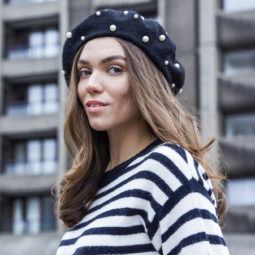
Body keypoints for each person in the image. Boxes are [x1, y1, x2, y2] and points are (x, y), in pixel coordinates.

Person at [56, 8, 230, 255]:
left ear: (144, 83)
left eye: (114, 69)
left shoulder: (166, 167)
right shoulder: (90, 192)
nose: (91, 85)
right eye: (85, 72)